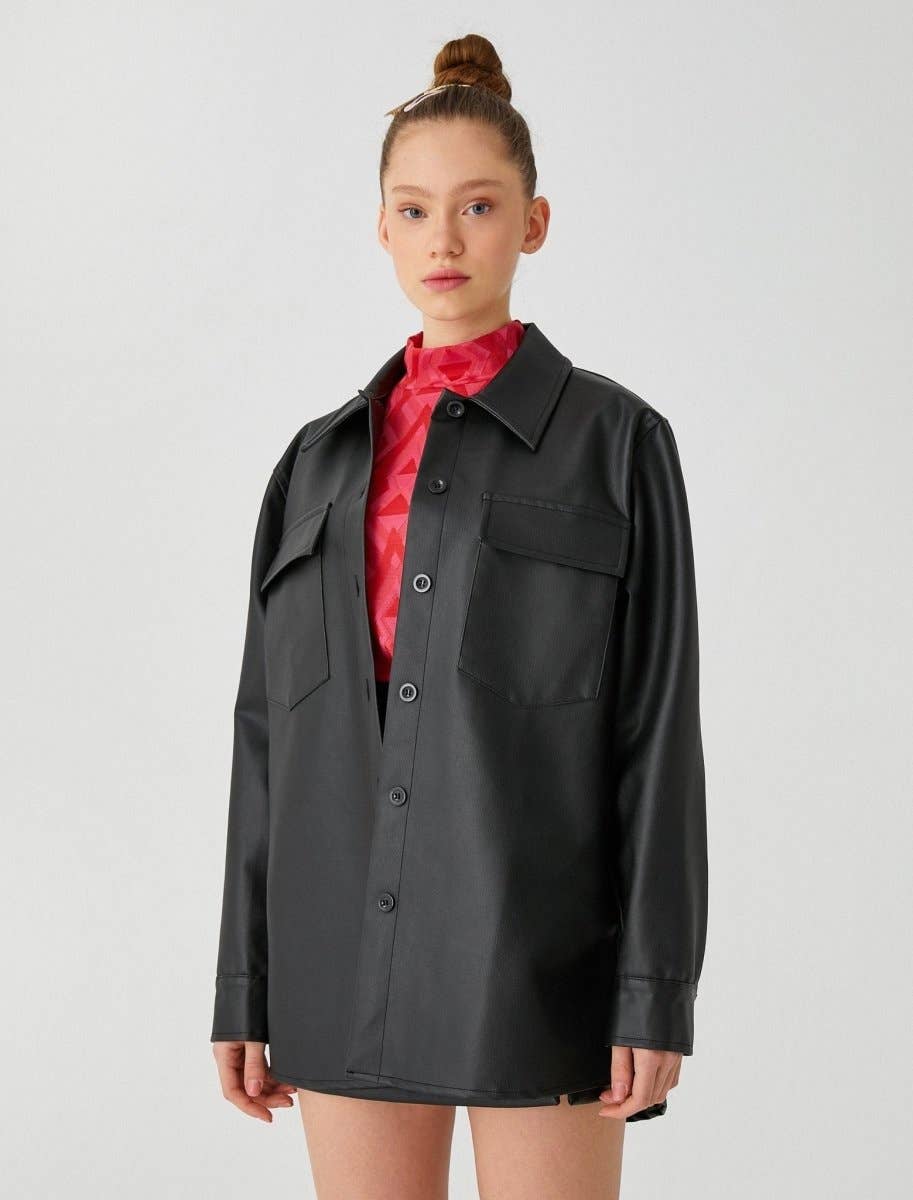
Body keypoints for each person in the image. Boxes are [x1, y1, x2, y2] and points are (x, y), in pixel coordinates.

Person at [211, 32, 708, 1200]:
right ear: (381, 229)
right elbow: (266, 737)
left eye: (477, 207)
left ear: (533, 224)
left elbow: (656, 731)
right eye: (414, 210)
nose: (444, 240)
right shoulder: (315, 465)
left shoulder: (616, 445)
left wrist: (651, 993)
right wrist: (245, 983)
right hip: (335, 964)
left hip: (538, 967)